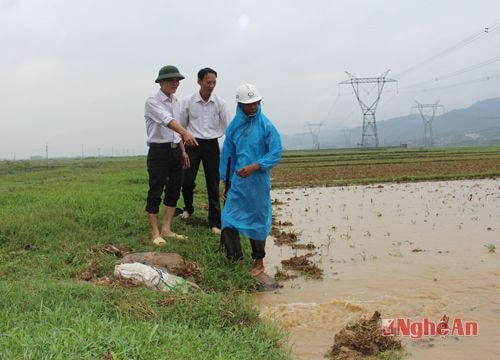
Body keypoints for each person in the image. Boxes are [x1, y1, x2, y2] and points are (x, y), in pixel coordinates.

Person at [219, 83, 282, 277]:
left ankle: (259, 261)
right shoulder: (234, 128)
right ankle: (235, 259)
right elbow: (228, 156)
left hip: (258, 183)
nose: (253, 107)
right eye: (248, 104)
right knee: (228, 219)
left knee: (257, 221)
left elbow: (276, 152)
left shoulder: (266, 126)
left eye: (255, 103)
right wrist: (226, 182)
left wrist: (256, 166)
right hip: (238, 183)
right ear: (240, 105)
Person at [144, 65, 199, 246]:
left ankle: (167, 229)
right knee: (156, 189)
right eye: (171, 80)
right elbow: (168, 122)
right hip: (159, 151)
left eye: (177, 80)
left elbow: (175, 129)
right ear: (161, 82)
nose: (175, 83)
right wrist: (186, 133)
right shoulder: (152, 101)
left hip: (175, 149)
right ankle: (155, 233)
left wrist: (182, 150)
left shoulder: (176, 102)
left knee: (175, 189)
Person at [178, 68, 228, 235]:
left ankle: (214, 222)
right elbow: (181, 125)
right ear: (199, 81)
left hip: (211, 145)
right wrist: (183, 146)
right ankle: (188, 208)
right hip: (192, 144)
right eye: (208, 82)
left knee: (212, 184)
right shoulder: (188, 101)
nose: (212, 85)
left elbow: (227, 126)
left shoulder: (220, 103)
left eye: (214, 82)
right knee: (186, 181)